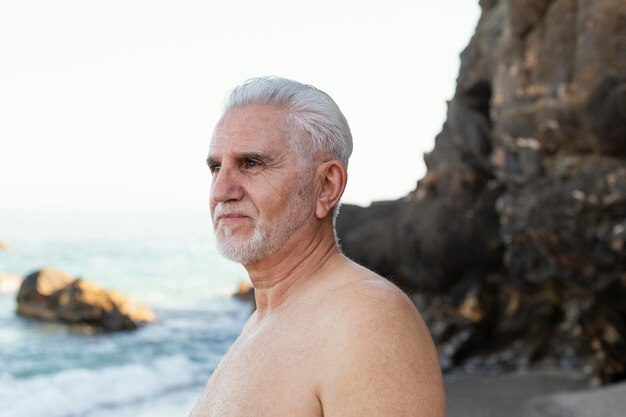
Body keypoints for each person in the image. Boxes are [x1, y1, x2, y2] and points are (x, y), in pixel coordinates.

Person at [190, 77, 445, 417]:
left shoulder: (367, 319)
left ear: (326, 186)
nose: (222, 190)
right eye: (216, 167)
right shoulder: (262, 322)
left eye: (251, 164)